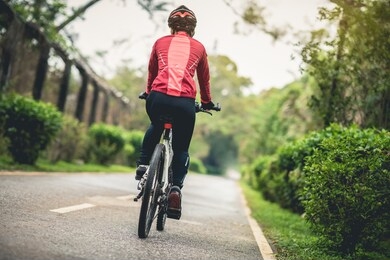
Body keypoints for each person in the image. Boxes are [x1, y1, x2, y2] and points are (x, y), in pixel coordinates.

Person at [135, 5, 215, 219]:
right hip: (184, 104)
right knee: (181, 148)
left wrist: (148, 91)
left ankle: (143, 165)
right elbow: (204, 80)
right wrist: (206, 102)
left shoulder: (160, 42)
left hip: (158, 98)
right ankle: (176, 189)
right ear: (192, 29)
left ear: (171, 27)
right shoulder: (199, 47)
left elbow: (152, 71)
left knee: (155, 125)